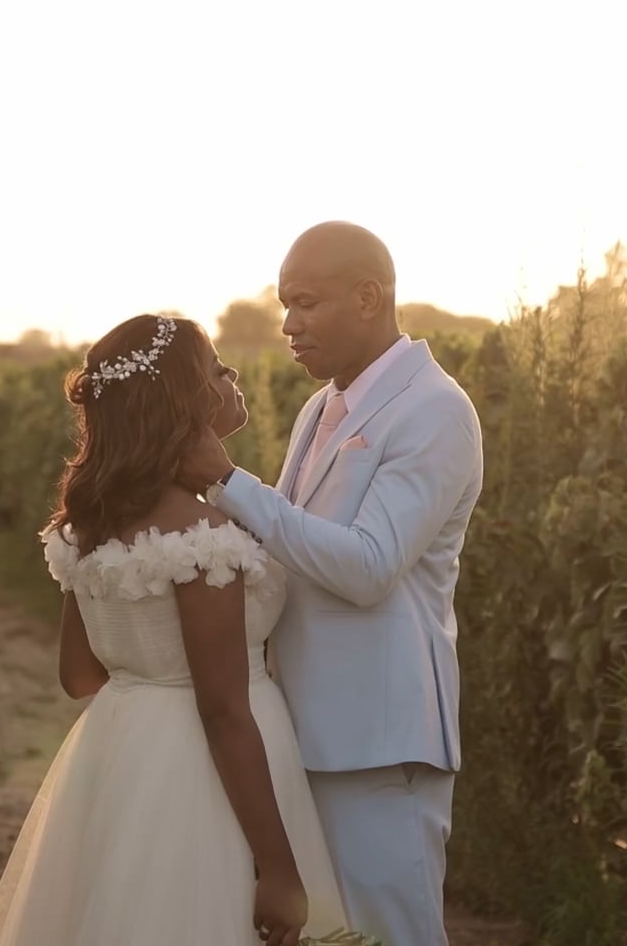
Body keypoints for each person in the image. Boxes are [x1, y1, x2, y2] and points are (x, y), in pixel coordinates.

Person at [0, 314, 351, 946]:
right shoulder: (202, 538)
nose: (232, 376)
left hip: (122, 757)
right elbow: (225, 711)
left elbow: (79, 676)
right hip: (211, 774)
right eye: (215, 369)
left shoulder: (88, 527)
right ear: (184, 400)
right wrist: (280, 869)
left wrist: (145, 672)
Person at [179, 221, 486, 946]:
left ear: (370, 298)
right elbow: (285, 545)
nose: (288, 325)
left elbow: (369, 565)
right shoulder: (322, 407)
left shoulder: (437, 411)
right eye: (286, 305)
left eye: (306, 303)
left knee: (391, 936)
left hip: (379, 744)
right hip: (301, 732)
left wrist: (226, 483)